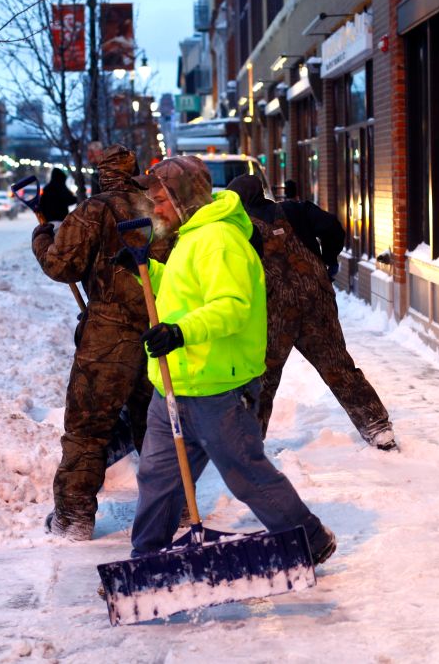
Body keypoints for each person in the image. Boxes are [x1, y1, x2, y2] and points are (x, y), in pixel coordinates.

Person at [116, 156, 337, 564]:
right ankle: (146, 560)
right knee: (159, 478)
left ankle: (309, 538)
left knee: (246, 474)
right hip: (175, 383)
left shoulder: (219, 239)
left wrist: (181, 333)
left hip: (218, 386)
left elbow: (231, 306)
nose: (156, 209)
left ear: (182, 198)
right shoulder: (191, 237)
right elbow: (186, 297)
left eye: (161, 200)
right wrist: (147, 272)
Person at [31, 144, 169, 541]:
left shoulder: (94, 211)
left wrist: (42, 238)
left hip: (107, 336)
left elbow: (62, 264)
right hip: (158, 329)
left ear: (101, 174)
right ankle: (168, 511)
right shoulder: (159, 208)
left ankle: (73, 517)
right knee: (155, 426)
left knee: (87, 427)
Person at [226, 175, 396, 450]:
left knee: (261, 375)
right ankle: (378, 428)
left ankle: (248, 442)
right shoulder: (295, 210)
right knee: (338, 367)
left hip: (273, 313)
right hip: (315, 301)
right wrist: (327, 260)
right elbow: (333, 228)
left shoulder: (238, 227)